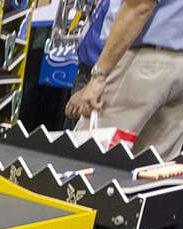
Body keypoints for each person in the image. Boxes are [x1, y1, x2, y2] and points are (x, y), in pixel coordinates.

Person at [66, 0, 183, 158]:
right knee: (150, 165)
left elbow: (140, 6)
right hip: (174, 67)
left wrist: (99, 75)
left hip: (143, 62)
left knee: (87, 156)